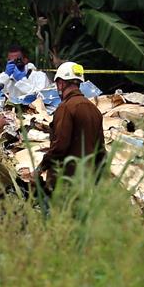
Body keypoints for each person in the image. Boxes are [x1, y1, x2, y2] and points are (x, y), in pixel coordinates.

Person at [37, 62, 106, 191]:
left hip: (65, 183)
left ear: (61, 83)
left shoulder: (66, 108)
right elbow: (101, 151)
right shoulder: (94, 110)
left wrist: (41, 167)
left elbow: (59, 147)